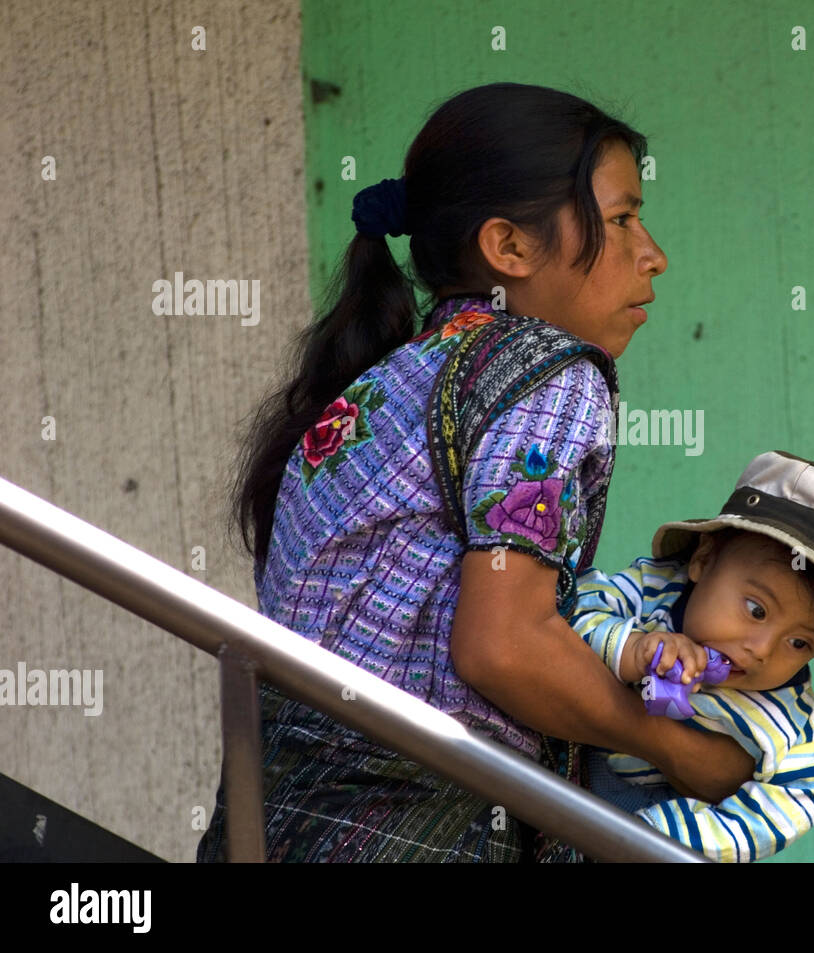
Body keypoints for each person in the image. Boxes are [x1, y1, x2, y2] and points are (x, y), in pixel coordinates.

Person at [195, 82, 755, 863]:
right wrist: (675, 748)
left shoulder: (395, 377)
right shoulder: (544, 369)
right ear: (510, 248)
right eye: (623, 218)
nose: (652, 252)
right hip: (410, 827)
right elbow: (504, 645)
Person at [569, 450, 814, 861]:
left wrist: (655, 837)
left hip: (657, 824)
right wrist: (630, 647)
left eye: (799, 643)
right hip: (554, 765)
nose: (761, 651)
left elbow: (796, 802)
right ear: (703, 561)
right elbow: (567, 612)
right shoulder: (652, 590)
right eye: (756, 610)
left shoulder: (790, 719)